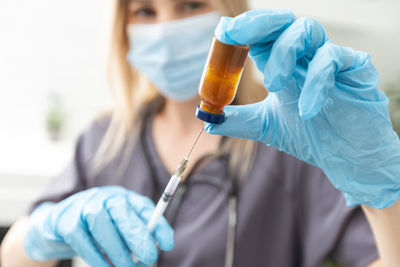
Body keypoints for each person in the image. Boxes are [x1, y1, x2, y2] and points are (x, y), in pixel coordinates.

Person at [1, 0, 399, 266]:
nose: (166, 28)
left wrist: (384, 193)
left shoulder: (296, 137)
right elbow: (12, 256)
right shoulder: (105, 139)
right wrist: (45, 232)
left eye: (190, 3)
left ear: (228, 11)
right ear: (123, 28)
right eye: (144, 10)